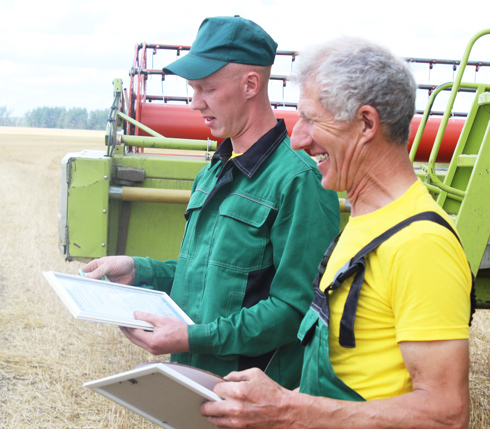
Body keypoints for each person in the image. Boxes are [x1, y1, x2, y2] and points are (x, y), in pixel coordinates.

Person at [201, 36, 473, 428]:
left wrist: (291, 411)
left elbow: (446, 414)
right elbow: (357, 375)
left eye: (312, 119)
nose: (297, 138)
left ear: (365, 124)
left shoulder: (421, 244)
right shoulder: (366, 221)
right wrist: (268, 404)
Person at [82, 15, 340, 389]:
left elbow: (295, 310)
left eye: (206, 88)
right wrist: (140, 271)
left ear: (251, 84)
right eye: (192, 89)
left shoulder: (300, 181)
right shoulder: (213, 172)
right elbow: (208, 279)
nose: (194, 103)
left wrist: (192, 337)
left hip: (251, 394)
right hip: (193, 384)